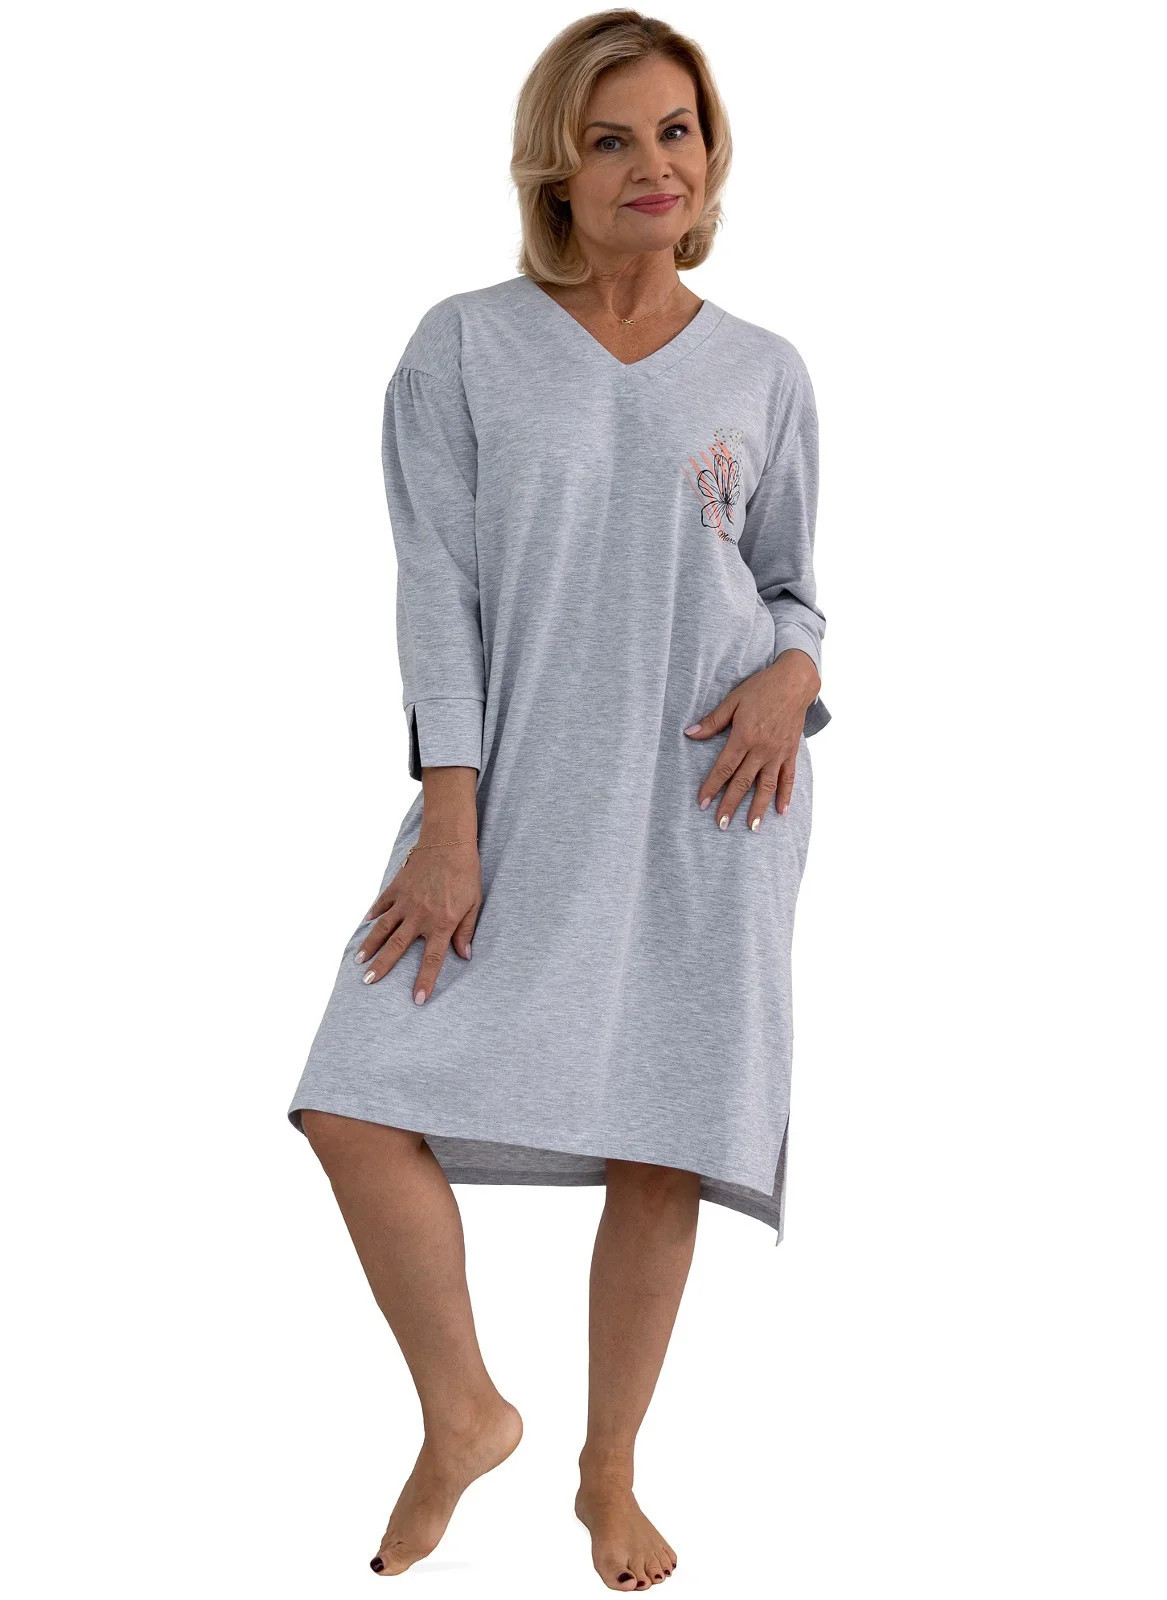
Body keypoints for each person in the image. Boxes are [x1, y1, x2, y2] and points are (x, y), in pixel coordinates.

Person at [286, 10, 831, 1589]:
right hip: (515, 793)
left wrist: (796, 676)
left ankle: (609, 1476)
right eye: (611, 139)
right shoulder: (464, 347)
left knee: (663, 1135)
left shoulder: (765, 370)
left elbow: (793, 587)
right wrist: (449, 821)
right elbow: (436, 593)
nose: (653, 164)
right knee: (353, 1098)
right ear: (557, 170)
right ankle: (466, 1413)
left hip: (712, 801)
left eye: (676, 131)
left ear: (710, 154)